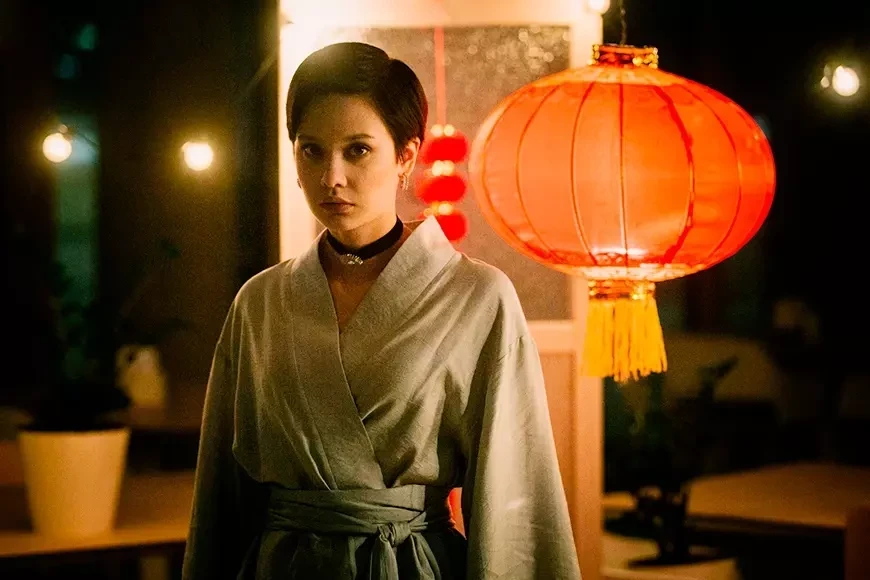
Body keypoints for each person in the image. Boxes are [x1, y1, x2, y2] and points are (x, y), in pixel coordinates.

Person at [182, 41, 580, 580]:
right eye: (311, 150)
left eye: (358, 150)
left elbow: (516, 495)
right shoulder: (261, 302)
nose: (332, 177)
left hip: (407, 561)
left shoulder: (477, 296)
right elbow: (222, 497)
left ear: (406, 156)